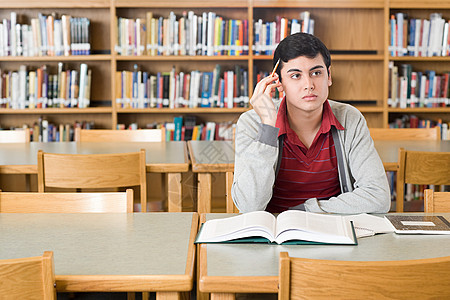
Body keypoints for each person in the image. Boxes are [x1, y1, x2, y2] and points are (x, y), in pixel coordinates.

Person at [232, 32, 390, 214]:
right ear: (279, 82)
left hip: (332, 229)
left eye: (316, 73)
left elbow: (379, 197)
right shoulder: (252, 123)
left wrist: (305, 211)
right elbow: (249, 206)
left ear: (329, 76)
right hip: (273, 234)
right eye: (295, 76)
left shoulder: (349, 118)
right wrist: (268, 126)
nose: (309, 84)